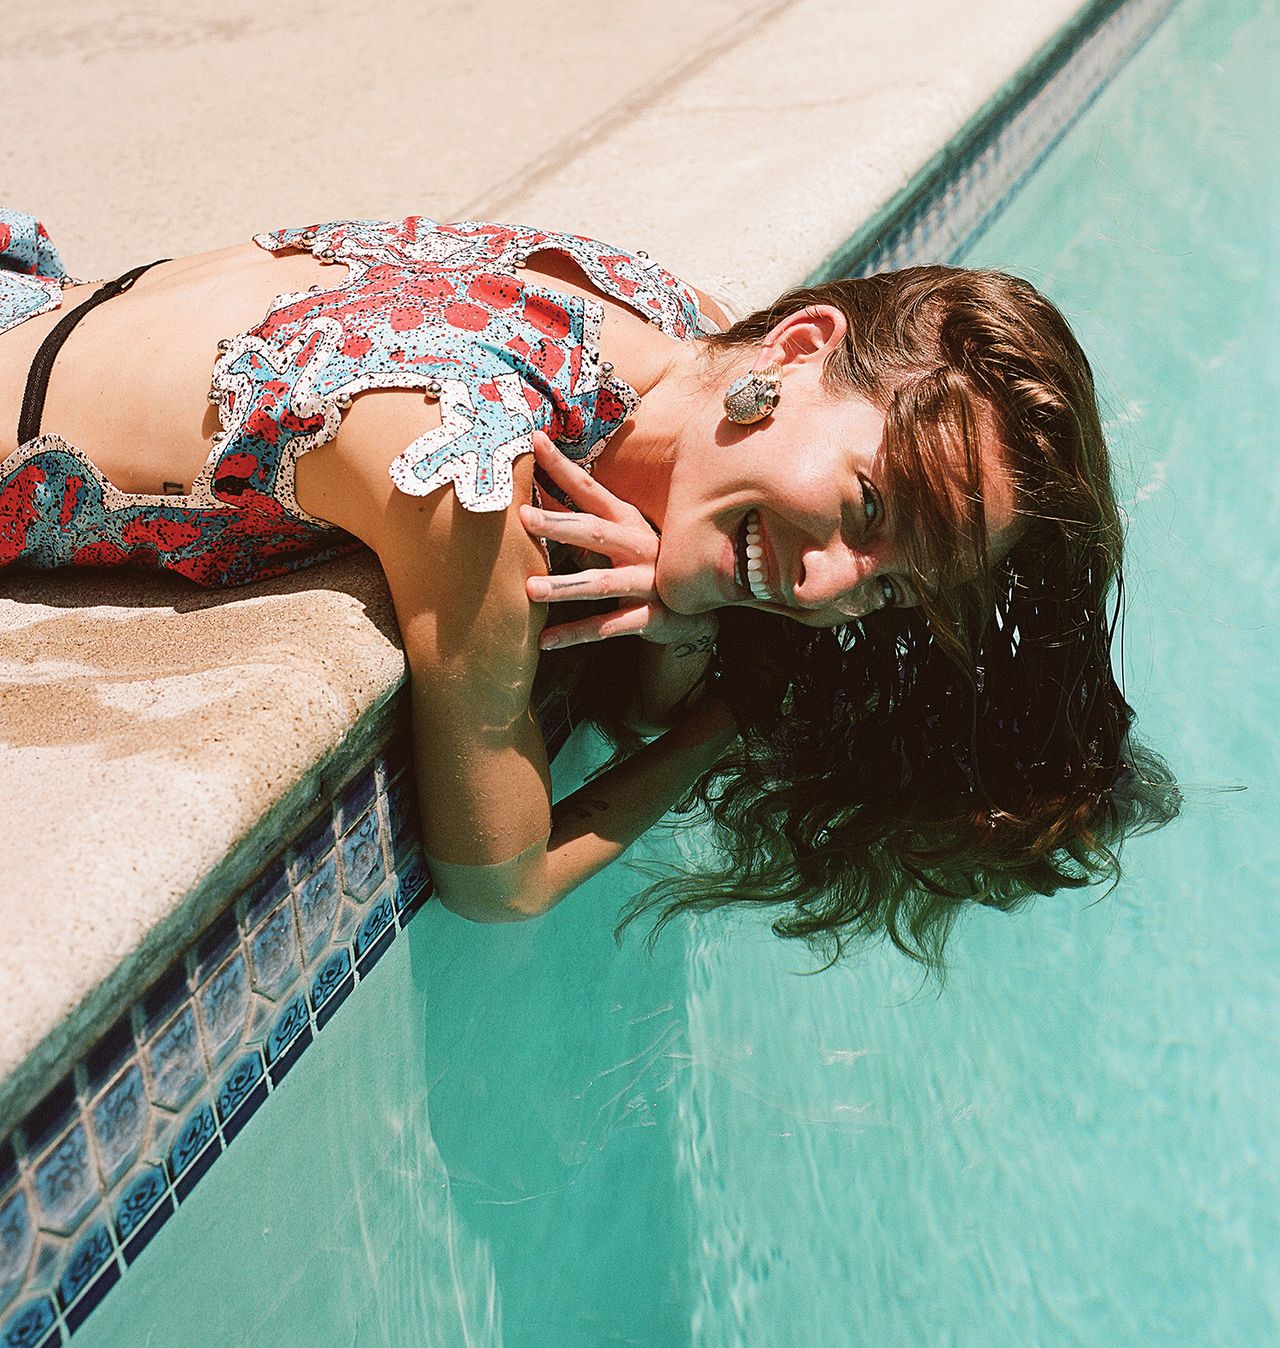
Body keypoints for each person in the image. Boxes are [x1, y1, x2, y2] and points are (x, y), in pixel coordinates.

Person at [0, 209, 1176, 966]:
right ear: (799, 349)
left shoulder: (674, 323)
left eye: (893, 588)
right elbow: (501, 880)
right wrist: (733, 715)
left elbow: (637, 694)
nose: (826, 586)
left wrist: (690, 605)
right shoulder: (470, 486)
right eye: (869, 506)